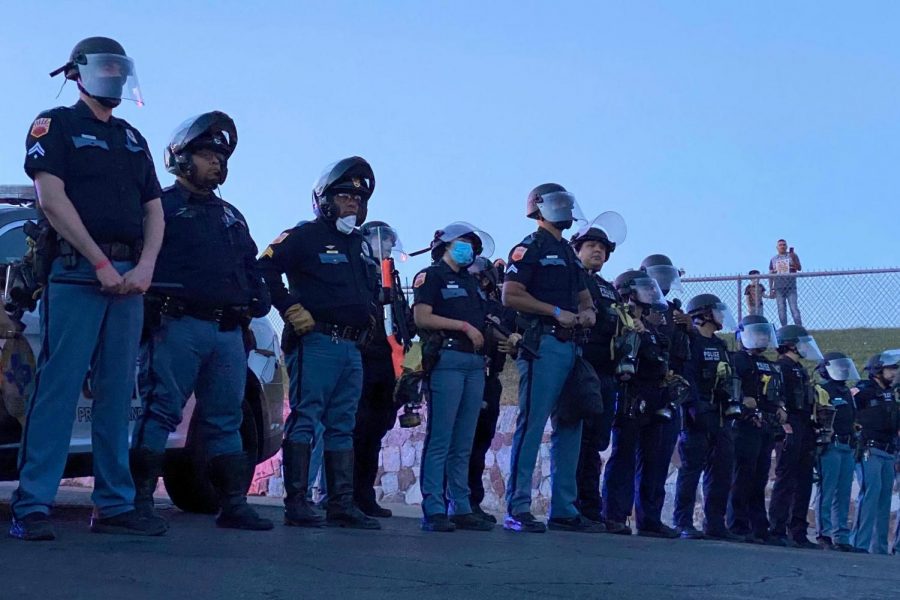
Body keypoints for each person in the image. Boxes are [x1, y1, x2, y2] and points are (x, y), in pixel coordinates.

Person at [10, 37, 167, 541]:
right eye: (105, 68)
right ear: (79, 72)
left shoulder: (132, 139)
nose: (115, 78)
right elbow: (50, 199)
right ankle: (33, 504)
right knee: (58, 389)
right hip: (79, 275)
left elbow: (154, 210)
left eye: (121, 69)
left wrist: (145, 266)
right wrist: (99, 261)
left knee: (119, 394)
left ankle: (114, 505)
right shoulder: (55, 124)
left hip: (129, 282)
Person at [130, 112, 272, 531]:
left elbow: (250, 264)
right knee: (161, 412)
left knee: (226, 419)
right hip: (178, 325)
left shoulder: (232, 215)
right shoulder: (160, 207)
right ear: (180, 158)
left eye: (220, 156)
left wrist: (256, 301)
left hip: (228, 332)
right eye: (207, 154)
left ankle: (233, 504)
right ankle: (138, 502)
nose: (216, 162)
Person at [258, 156, 380, 530]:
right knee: (307, 417)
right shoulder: (304, 236)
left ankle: (340, 503)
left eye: (359, 199)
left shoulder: (358, 243)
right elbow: (263, 267)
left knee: (343, 423)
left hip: (351, 347)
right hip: (318, 341)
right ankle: (297, 501)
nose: (353, 204)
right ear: (324, 199)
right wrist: (290, 308)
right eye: (345, 196)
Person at [502, 184, 601, 534]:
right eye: (557, 203)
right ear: (539, 209)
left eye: (566, 203)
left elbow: (583, 294)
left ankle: (564, 509)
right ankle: (518, 507)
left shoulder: (568, 252)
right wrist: (554, 311)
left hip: (572, 346)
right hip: (543, 344)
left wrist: (587, 311)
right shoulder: (528, 248)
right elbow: (510, 295)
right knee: (531, 426)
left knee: (571, 425)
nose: (564, 209)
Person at [413, 222, 496, 532]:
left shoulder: (472, 282)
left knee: (464, 440)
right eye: (462, 243)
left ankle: (460, 505)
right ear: (445, 245)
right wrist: (462, 327)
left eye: (472, 245)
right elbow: (421, 317)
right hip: (447, 358)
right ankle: (433, 506)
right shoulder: (432, 276)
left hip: (475, 364)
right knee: (441, 437)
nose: (468, 249)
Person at [601, 270, 677, 538]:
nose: (651, 293)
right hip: (630, 394)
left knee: (654, 461)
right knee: (623, 457)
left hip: (655, 396)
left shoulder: (654, 327)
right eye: (644, 289)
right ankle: (613, 514)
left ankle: (650, 519)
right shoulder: (618, 321)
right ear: (629, 292)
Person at [569, 213, 627, 525]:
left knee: (596, 443)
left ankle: (592, 509)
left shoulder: (609, 288)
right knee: (580, 440)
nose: (597, 251)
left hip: (607, 371)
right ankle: (574, 507)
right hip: (581, 366)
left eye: (602, 248)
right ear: (577, 249)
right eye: (591, 245)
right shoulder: (571, 281)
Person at [354, 221, 413, 518]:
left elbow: (401, 319)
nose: (388, 246)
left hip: (388, 362)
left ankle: (365, 495)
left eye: (390, 241)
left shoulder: (391, 277)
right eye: (383, 241)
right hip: (364, 357)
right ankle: (343, 495)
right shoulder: (360, 273)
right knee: (356, 429)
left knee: (376, 430)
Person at [672, 294, 743, 541]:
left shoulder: (721, 346)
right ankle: (682, 522)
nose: (721, 316)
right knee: (691, 470)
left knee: (722, 471)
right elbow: (686, 377)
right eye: (716, 311)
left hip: (722, 416)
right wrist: (694, 408)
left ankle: (715, 523)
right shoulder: (691, 342)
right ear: (703, 315)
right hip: (697, 414)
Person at [640, 254, 689, 537]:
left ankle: (652, 518)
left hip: (671, 391)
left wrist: (688, 327)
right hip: (645, 390)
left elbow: (683, 353)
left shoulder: (675, 313)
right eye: (659, 275)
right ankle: (623, 515)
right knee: (638, 456)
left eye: (668, 275)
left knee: (660, 459)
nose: (664, 281)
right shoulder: (639, 310)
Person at [466, 256, 517, 523]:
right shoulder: (462, 304)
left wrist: (512, 341)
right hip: (465, 374)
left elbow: (513, 335)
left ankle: (472, 501)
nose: (477, 282)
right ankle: (453, 501)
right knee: (460, 441)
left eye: (481, 278)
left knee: (480, 443)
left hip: (491, 378)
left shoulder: (501, 309)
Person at [727, 315, 786, 543]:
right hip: (744, 425)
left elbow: (774, 392)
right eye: (757, 333)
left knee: (759, 478)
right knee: (742, 476)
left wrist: (780, 407)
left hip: (766, 426)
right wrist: (743, 400)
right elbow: (730, 386)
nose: (761, 337)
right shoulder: (737, 360)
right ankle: (738, 525)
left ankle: (759, 527)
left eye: (764, 333)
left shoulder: (770, 364)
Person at [767, 324, 824, 548]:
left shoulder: (799, 369)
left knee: (804, 479)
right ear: (790, 344)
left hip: (805, 425)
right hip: (789, 425)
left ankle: (798, 530)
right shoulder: (781, 367)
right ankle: (778, 528)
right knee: (786, 477)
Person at [850, 350, 900, 554]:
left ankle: (878, 549)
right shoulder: (863, 391)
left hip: (888, 452)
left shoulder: (892, 394)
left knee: (884, 498)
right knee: (870, 496)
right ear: (878, 370)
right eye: (892, 368)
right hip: (869, 450)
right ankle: (859, 544)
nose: (895, 372)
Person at [813, 352, 861, 551]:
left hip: (847, 446)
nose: (843, 370)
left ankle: (841, 536)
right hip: (831, 445)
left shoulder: (848, 392)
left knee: (843, 493)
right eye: (838, 366)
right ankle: (824, 533)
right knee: (827, 490)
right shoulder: (824, 390)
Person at [768, 240, 802, 327]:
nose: (782, 246)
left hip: (791, 287)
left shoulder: (792, 256)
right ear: (777, 247)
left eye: (784, 245)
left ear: (786, 246)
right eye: (780, 245)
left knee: (794, 308)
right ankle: (784, 328)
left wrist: (793, 259)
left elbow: (799, 268)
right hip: (779, 287)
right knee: (781, 309)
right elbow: (771, 275)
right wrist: (771, 288)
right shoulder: (773, 259)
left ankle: (799, 327)